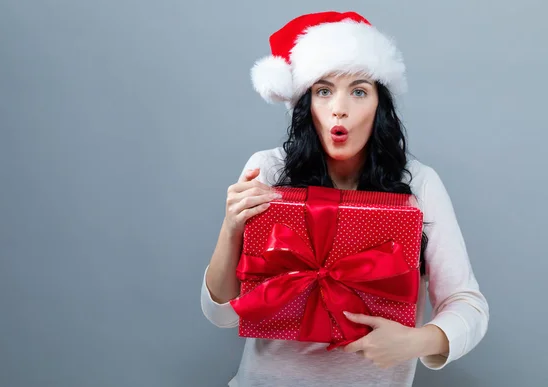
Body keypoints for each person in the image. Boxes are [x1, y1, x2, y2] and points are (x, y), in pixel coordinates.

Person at [200, 10, 489, 387]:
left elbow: (469, 305)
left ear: (379, 105)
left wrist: (415, 341)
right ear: (306, 105)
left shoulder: (419, 184)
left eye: (358, 90)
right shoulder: (267, 171)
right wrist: (231, 227)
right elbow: (222, 315)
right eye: (323, 90)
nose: (340, 107)